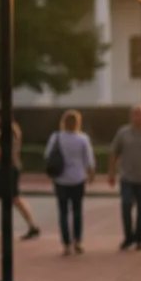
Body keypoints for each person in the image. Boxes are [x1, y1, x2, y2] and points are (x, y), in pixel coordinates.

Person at [0, 111, 41, 240]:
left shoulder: (5, 132)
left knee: (2, 198)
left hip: (7, 169)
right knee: (11, 198)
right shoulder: (12, 130)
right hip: (11, 168)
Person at [108, 105, 141, 250]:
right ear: (131, 116)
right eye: (135, 114)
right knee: (126, 205)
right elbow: (114, 152)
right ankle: (128, 237)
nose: (138, 117)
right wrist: (111, 172)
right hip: (127, 177)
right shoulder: (123, 133)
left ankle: (140, 238)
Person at [45, 109, 96, 255]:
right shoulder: (82, 139)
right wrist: (91, 173)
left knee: (63, 212)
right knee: (77, 210)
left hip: (60, 178)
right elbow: (89, 158)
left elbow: (48, 154)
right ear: (78, 123)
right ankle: (78, 241)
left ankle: (66, 244)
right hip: (78, 178)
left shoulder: (56, 137)